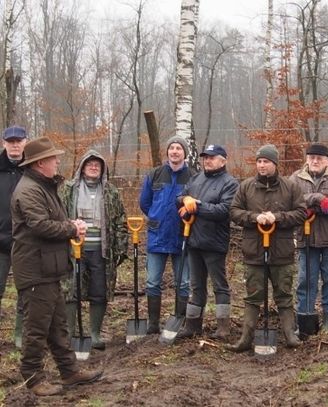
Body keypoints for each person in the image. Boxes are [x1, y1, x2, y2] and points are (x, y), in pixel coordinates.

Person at [11, 137, 102, 396]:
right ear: (40, 163)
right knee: (36, 327)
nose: (57, 161)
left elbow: (50, 220)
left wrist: (70, 225)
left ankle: (69, 371)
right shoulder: (29, 190)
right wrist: (72, 228)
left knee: (57, 325)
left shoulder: (43, 187)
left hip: (48, 267)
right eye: (53, 158)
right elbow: (40, 225)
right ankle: (32, 377)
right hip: (35, 269)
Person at [226, 144, 306, 352]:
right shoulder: (246, 187)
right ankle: (246, 338)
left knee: (284, 295)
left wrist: (277, 218)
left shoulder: (290, 187)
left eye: (266, 162)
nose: (262, 165)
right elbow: (234, 211)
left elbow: (301, 213)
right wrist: (254, 218)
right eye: (259, 161)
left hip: (282, 251)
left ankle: (290, 335)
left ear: (275, 164)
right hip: (254, 251)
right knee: (253, 296)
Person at [59, 150, 129, 350]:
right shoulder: (68, 190)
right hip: (72, 250)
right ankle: (70, 334)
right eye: (89, 163)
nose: (93, 167)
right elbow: (59, 216)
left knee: (99, 291)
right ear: (82, 167)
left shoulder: (111, 192)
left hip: (101, 250)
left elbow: (120, 221)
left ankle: (95, 334)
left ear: (103, 169)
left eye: (97, 164)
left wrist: (120, 250)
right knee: (71, 291)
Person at [175, 145, 239, 340]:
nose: (207, 160)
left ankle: (223, 327)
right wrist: (185, 199)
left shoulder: (229, 183)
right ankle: (193, 325)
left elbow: (223, 211)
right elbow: (180, 197)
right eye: (205, 157)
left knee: (219, 284)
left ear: (223, 160)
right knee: (196, 285)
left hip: (214, 241)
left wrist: (197, 206)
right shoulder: (196, 178)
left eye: (212, 157)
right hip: (194, 239)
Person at [290, 143, 328, 331]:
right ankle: (305, 318)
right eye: (311, 158)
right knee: (306, 280)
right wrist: (317, 199)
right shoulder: (296, 178)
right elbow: (291, 201)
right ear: (307, 159)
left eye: (319, 158)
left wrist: (324, 203)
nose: (315, 161)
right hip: (306, 238)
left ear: (326, 160)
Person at [139, 136, 194, 334]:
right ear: (167, 152)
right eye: (172, 148)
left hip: (182, 235)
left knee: (184, 281)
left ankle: (179, 319)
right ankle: (153, 323)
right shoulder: (154, 174)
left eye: (179, 148)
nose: (175, 151)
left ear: (184, 153)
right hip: (157, 235)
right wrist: (157, 217)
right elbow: (144, 203)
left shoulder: (193, 177)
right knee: (153, 281)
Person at [0, 126, 26, 348]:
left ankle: (20, 334)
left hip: (25, 242)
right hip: (0, 242)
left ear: (25, 142)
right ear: (4, 143)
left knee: (24, 290)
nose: (15, 145)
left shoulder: (31, 168)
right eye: (11, 141)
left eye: (19, 141)